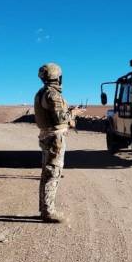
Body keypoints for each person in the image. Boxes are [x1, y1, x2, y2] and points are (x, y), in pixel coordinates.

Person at [34, 63, 84, 223]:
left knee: (47, 172)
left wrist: (68, 113)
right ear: (58, 77)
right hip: (54, 138)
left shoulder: (42, 93)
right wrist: (73, 113)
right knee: (52, 173)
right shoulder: (53, 95)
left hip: (47, 136)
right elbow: (60, 118)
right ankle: (48, 212)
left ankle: (45, 209)